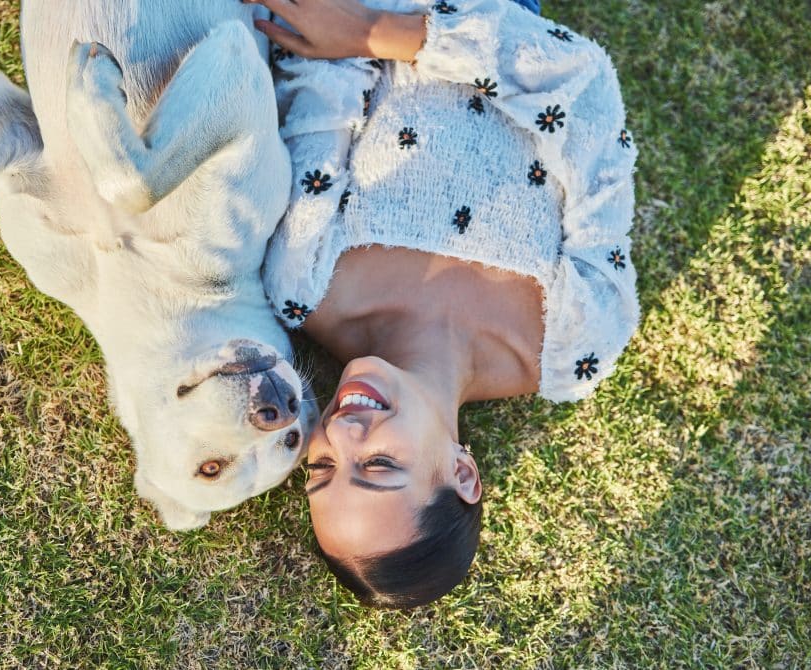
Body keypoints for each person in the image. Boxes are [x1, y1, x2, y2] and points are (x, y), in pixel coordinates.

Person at [246, 0, 639, 608]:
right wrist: (384, 34)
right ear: (461, 472)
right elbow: (583, 91)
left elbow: (322, 69)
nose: (342, 436)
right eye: (378, 466)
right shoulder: (577, 339)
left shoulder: (303, 283)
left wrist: (367, 24)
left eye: (321, 471)